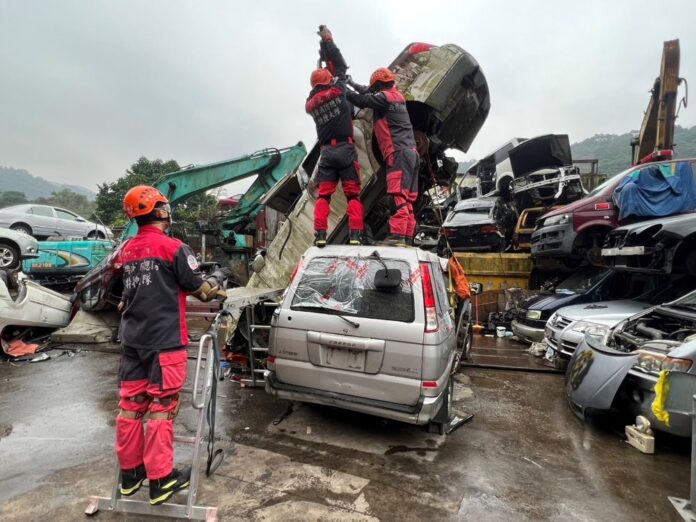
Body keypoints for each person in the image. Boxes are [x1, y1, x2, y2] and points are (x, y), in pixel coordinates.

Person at [115, 185, 226, 506]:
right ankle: (161, 479)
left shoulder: (127, 251)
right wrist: (218, 278)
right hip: (164, 342)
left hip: (132, 341)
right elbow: (202, 291)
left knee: (131, 405)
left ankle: (130, 473)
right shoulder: (174, 248)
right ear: (161, 211)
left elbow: (127, 296)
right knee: (163, 409)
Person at [346, 67, 419, 246]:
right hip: (412, 154)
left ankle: (397, 236)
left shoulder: (385, 98)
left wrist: (341, 87)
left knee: (398, 196)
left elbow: (361, 99)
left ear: (379, 86)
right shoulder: (397, 97)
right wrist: (351, 82)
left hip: (398, 153)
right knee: (408, 199)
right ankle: (407, 237)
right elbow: (367, 93)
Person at [306, 25, 364, 247]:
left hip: (327, 153)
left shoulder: (310, 105)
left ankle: (320, 235)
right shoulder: (339, 91)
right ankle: (355, 235)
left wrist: (321, 51)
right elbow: (340, 66)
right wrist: (328, 40)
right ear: (328, 81)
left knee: (324, 196)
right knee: (352, 196)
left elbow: (317, 90)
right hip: (346, 150)